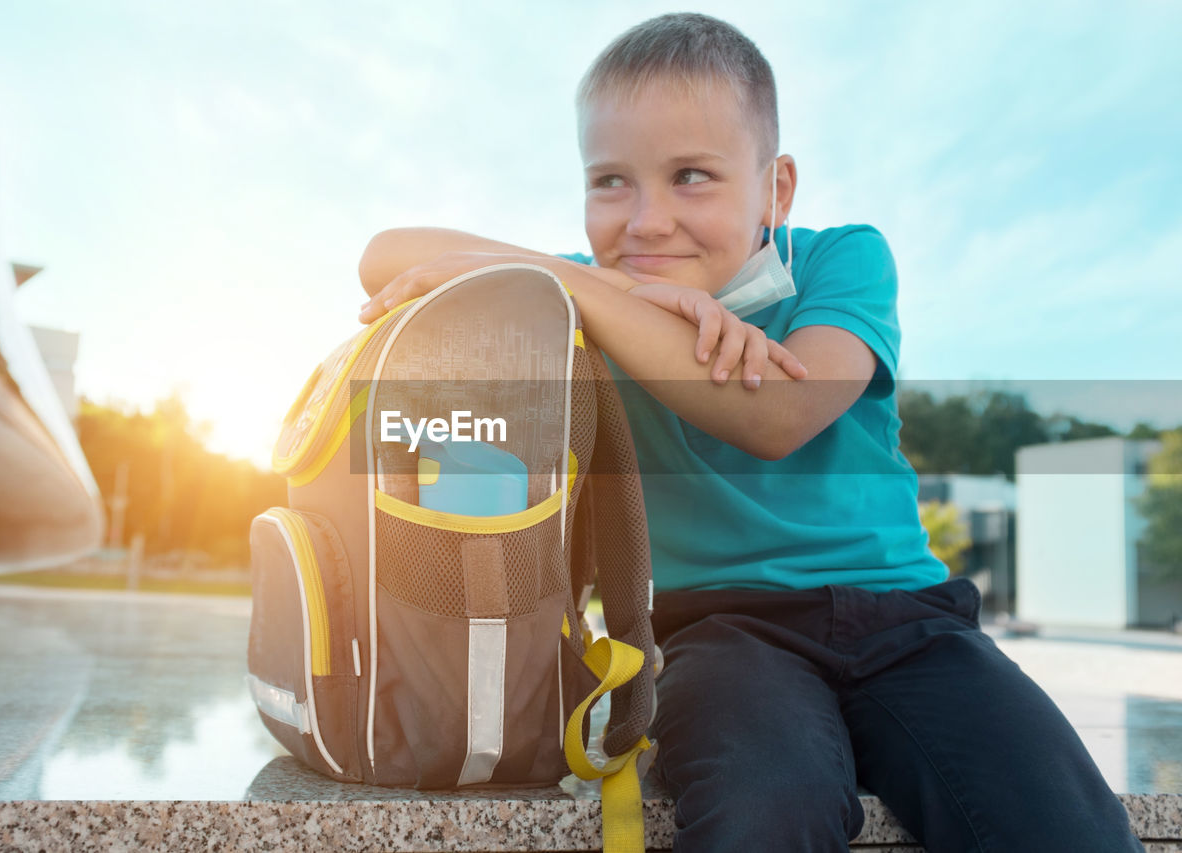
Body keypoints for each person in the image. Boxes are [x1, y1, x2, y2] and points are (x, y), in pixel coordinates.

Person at [357, 13, 1143, 852]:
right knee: (768, 808)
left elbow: (778, 415)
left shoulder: (842, 261)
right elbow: (384, 254)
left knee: (1069, 827)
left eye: (691, 175)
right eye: (610, 181)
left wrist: (604, 294)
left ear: (776, 189)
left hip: (911, 626)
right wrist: (597, 290)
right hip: (717, 633)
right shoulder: (584, 295)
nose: (647, 222)